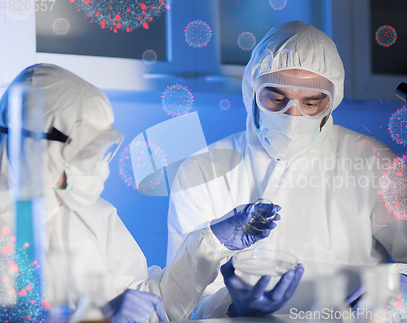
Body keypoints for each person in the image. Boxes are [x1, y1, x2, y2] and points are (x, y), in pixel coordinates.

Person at [166, 20, 407, 319]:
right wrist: (232, 308)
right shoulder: (203, 170)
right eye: (276, 98)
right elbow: (179, 299)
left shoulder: (370, 160)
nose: (293, 115)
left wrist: (405, 284)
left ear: (333, 100)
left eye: (312, 102)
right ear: (252, 92)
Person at [0, 63, 287, 322]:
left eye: (102, 151)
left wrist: (211, 242)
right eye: (88, 151)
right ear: (37, 144)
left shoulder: (96, 216)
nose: (98, 167)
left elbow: (149, 306)